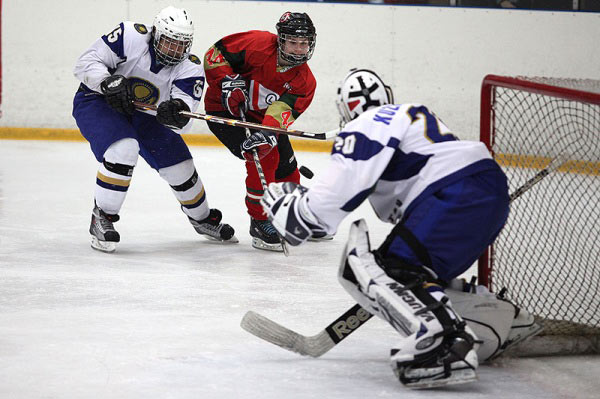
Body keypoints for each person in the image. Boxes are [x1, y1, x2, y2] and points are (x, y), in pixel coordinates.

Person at [260, 69, 540, 388]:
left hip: (450, 195)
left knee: (383, 268)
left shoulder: (364, 125)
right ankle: (496, 317)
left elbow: (319, 213)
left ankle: (445, 342)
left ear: (345, 109)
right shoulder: (406, 115)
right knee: (412, 269)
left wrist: (292, 207)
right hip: (482, 192)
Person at [72, 6, 238, 253]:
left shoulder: (190, 67)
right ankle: (102, 217)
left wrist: (176, 111)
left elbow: (185, 114)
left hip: (148, 117)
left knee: (181, 167)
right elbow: (86, 63)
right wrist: (107, 82)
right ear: (156, 34)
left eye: (181, 45)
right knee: (124, 149)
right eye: (170, 42)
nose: (175, 50)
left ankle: (202, 219)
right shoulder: (129, 36)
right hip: (99, 102)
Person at [202, 11, 327, 252]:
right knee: (263, 153)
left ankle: (290, 214)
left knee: (287, 168)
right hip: (223, 113)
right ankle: (259, 221)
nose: (300, 49)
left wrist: (268, 131)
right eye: (293, 42)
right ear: (281, 39)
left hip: (260, 119)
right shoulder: (256, 44)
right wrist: (227, 81)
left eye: (304, 44)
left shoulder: (305, 82)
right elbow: (214, 55)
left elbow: (281, 111)